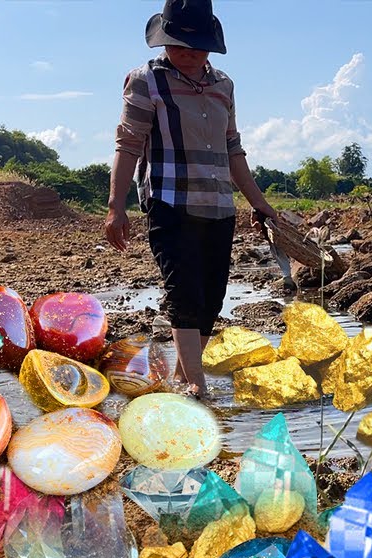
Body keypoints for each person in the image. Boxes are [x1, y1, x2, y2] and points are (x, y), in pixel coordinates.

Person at [104, 0, 279, 399]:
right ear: (164, 42)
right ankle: (197, 390)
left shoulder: (224, 86)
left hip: (218, 206)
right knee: (183, 291)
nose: (189, 53)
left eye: (197, 46)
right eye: (180, 45)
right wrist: (117, 206)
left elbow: (233, 149)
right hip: (170, 203)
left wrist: (260, 204)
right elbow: (128, 145)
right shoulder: (146, 81)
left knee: (211, 298)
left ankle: (180, 384)